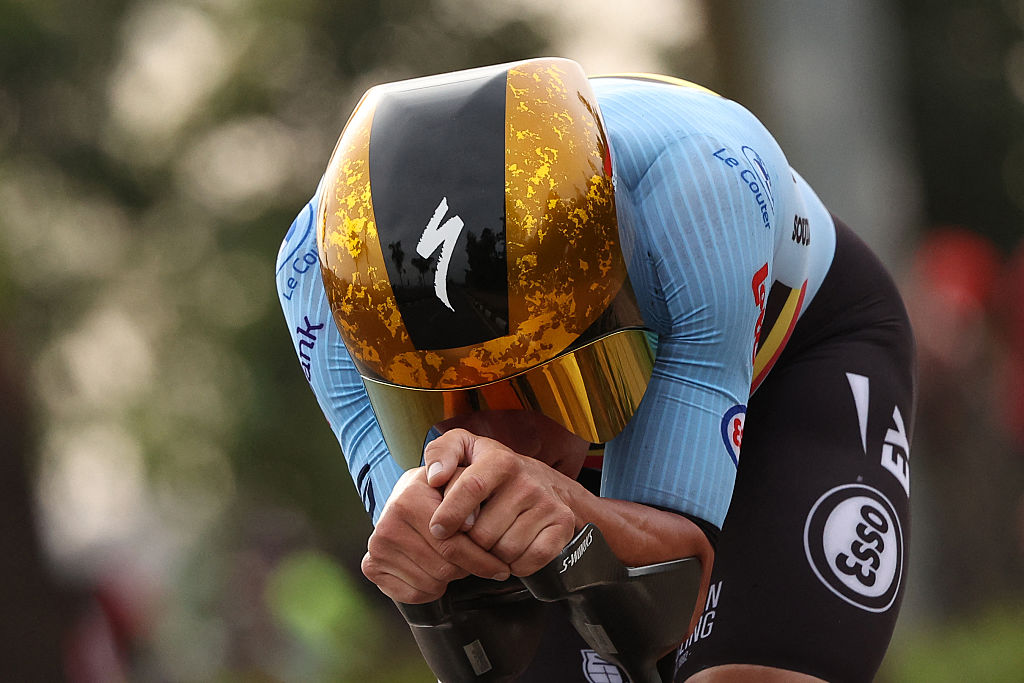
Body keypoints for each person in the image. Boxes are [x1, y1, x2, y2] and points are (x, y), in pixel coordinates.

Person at [275, 57, 915, 682]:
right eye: (442, 397)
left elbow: (679, 582)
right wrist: (427, 571)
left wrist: (573, 513)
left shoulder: (698, 195)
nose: (505, 440)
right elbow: (468, 621)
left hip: (789, 367)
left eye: (540, 384)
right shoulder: (319, 277)